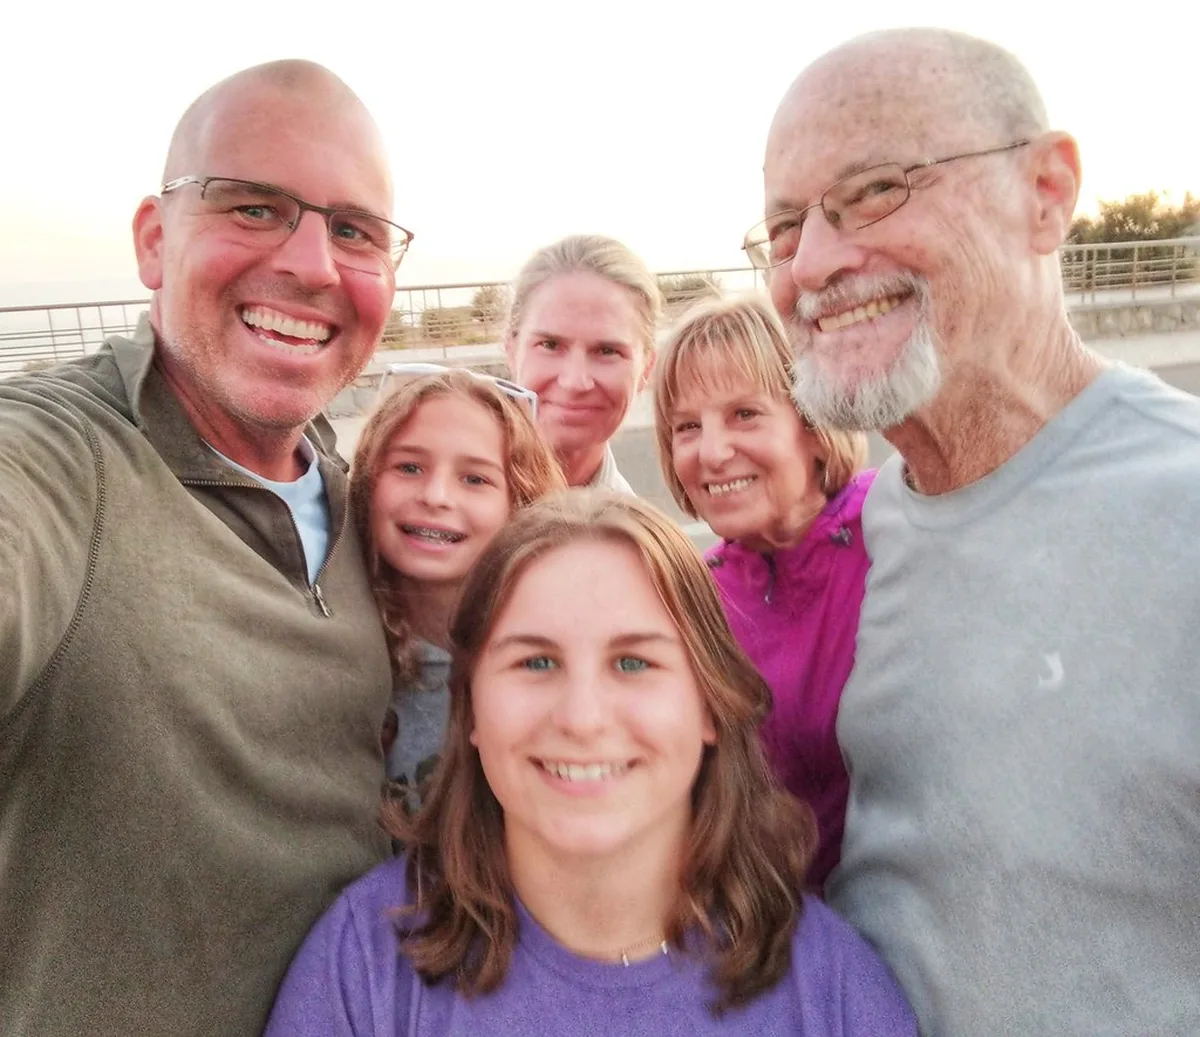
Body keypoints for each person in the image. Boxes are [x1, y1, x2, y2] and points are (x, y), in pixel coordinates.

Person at [753, 26, 1200, 1037]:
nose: (813, 264)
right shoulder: (854, 537)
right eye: (785, 228)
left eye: (874, 190)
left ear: (1047, 192)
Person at [0, 61, 411, 1037]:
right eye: (255, 207)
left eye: (353, 229)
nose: (313, 263)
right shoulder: (65, 462)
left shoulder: (369, 508)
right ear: (155, 240)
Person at [264, 491, 917, 1036]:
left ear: (710, 705)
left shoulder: (833, 991)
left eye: (634, 661)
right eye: (535, 661)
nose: (582, 717)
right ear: (470, 713)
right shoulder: (364, 969)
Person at [653, 294, 869, 891]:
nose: (713, 452)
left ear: (816, 427)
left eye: (745, 414)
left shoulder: (896, 535)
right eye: (688, 426)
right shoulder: (692, 595)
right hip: (772, 939)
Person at [348, 366, 565, 803]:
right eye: (408, 467)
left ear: (518, 502)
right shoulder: (338, 646)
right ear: (369, 482)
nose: (437, 496)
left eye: (475, 479)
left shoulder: (559, 655)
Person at [503, 234, 661, 492]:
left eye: (607, 351)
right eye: (550, 345)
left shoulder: (635, 530)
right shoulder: (431, 502)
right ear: (511, 349)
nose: (575, 381)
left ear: (646, 368)